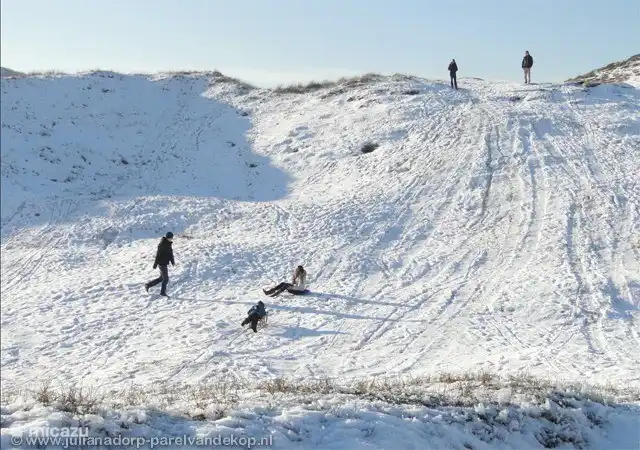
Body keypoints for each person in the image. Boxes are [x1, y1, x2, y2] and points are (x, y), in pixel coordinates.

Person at [144, 232, 175, 296]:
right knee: (165, 279)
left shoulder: (168, 244)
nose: (172, 239)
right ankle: (162, 292)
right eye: (171, 237)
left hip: (164, 263)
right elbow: (158, 255)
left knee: (161, 278)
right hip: (161, 263)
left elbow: (170, 253)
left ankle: (148, 285)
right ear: (168, 237)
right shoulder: (162, 244)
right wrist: (155, 264)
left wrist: (172, 261)